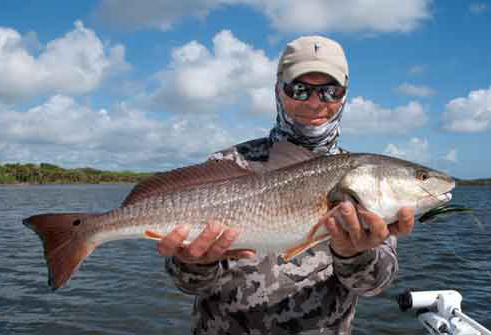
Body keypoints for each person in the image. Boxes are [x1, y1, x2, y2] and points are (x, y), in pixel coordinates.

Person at [157, 36, 415, 335]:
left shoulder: (365, 176)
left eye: (330, 91)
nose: (315, 102)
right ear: (279, 90)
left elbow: (373, 286)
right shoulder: (228, 163)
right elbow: (189, 285)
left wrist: (354, 254)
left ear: (344, 96)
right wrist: (194, 265)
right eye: (300, 89)